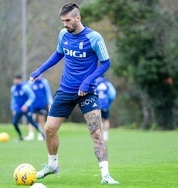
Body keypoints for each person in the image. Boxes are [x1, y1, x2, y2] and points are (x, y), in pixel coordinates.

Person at [29, 3, 119, 185]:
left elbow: (106, 63)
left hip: (87, 93)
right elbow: (58, 54)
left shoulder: (94, 38)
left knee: (96, 133)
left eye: (68, 20)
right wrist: (40, 70)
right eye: (63, 21)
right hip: (66, 90)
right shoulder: (63, 34)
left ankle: (106, 175)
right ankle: (53, 165)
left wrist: (87, 81)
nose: (65, 24)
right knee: (49, 129)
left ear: (78, 18)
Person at [10, 74, 45, 141]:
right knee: (14, 122)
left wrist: (26, 105)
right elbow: (13, 99)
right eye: (14, 80)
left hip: (27, 109)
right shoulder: (13, 88)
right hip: (18, 108)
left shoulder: (25, 87)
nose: (15, 81)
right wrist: (13, 108)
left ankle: (43, 135)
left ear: (20, 80)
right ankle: (20, 136)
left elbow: (32, 96)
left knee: (32, 122)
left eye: (17, 80)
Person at [24, 76, 53, 141]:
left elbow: (48, 93)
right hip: (33, 105)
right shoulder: (30, 83)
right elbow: (26, 92)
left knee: (41, 120)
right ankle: (31, 134)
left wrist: (50, 103)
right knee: (32, 119)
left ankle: (41, 134)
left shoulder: (44, 82)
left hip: (42, 104)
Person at [95, 76, 116, 141]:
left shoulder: (94, 82)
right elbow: (112, 94)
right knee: (106, 120)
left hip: (96, 104)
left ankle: (99, 135)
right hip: (105, 104)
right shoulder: (107, 84)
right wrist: (108, 103)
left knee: (97, 119)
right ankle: (105, 136)